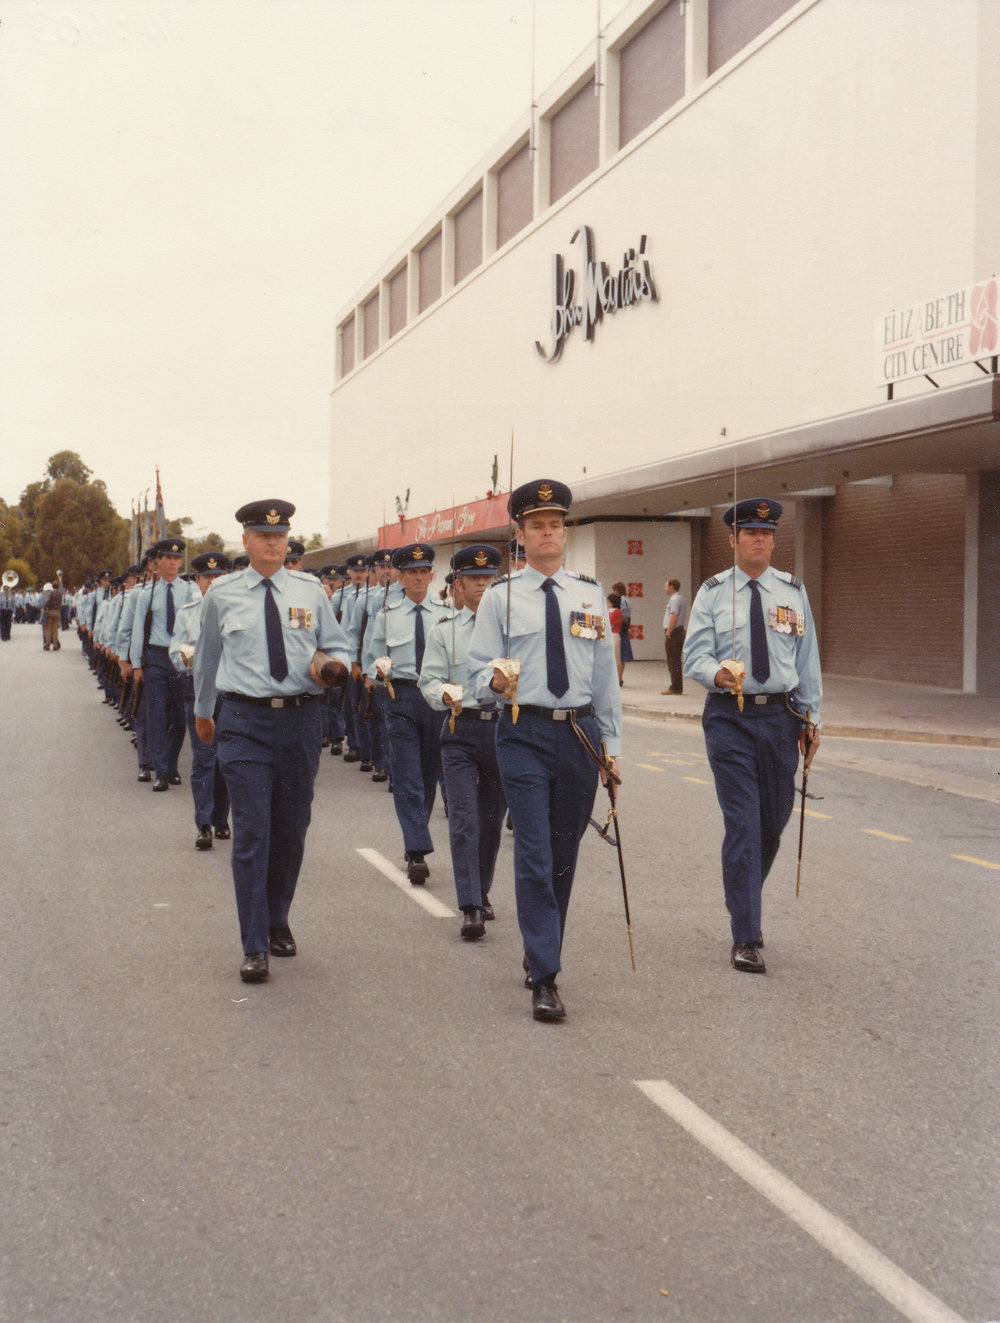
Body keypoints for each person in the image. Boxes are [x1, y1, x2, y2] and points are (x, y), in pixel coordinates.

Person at [466, 480, 622, 1023]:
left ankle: (540, 948)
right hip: (523, 731)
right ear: (520, 534)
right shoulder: (499, 596)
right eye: (537, 525)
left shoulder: (588, 594)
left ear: (565, 531)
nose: (548, 532)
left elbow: (604, 676)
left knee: (562, 854)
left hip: (578, 735)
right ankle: (547, 975)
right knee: (532, 850)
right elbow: (474, 673)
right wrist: (495, 680)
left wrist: (612, 747)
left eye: (556, 524)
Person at [193, 499, 350, 983]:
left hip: (301, 720)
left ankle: (278, 917)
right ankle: (254, 943)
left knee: (291, 827)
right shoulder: (221, 594)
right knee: (253, 830)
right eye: (262, 535)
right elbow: (206, 658)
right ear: (245, 540)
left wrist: (330, 667)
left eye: (279, 537)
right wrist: (202, 713)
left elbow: (337, 644)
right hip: (243, 719)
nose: (272, 543)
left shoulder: (309, 590)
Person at [683, 498, 821, 974]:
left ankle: (740, 891)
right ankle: (747, 934)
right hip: (731, 717)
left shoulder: (792, 590)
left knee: (773, 822)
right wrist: (718, 674)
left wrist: (811, 717)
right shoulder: (713, 592)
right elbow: (693, 657)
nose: (759, 540)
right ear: (733, 540)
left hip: (781, 719)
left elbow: (806, 660)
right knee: (743, 822)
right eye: (750, 533)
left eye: (767, 533)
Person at [419, 544, 505, 941]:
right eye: (475, 579)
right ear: (458, 584)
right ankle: (470, 904)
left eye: (489, 579)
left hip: (504, 732)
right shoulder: (445, 630)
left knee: (490, 821)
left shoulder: (512, 630)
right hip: (460, 731)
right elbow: (429, 681)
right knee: (464, 820)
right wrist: (445, 695)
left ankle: (482, 889)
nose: (483, 586)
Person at [365, 543, 450, 884]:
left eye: (423, 572)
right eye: (411, 573)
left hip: (437, 700)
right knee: (407, 775)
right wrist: (379, 669)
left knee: (429, 774)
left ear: (432, 576)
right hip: (400, 698)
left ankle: (417, 834)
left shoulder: (447, 615)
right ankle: (416, 849)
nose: (417, 578)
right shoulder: (387, 616)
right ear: (400, 577)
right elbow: (372, 660)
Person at [170, 551, 233, 851]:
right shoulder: (188, 612)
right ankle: (204, 824)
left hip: (232, 692)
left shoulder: (238, 609)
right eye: (207, 577)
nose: (213, 581)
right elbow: (175, 650)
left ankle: (222, 817)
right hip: (197, 689)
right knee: (204, 757)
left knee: (227, 758)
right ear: (197, 580)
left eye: (219, 576)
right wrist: (187, 661)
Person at [128, 540, 199, 791]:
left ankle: (171, 764)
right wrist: (137, 664)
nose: (172, 563)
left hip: (182, 654)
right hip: (156, 657)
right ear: (157, 562)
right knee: (156, 714)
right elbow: (138, 631)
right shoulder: (145, 593)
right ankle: (160, 770)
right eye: (167, 558)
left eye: (177, 559)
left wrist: (194, 662)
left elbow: (195, 626)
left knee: (179, 717)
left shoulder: (190, 591)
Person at [662, 577, 687, 695]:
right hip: (678, 631)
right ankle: (676, 686)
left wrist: (668, 632)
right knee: (675, 660)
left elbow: (674, 616)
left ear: (671, 587)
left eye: (666, 586)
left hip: (674, 632)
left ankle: (675, 687)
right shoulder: (679, 598)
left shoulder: (675, 599)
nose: (665, 588)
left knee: (673, 661)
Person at [611, 580, 632, 684]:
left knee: (618, 654)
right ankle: (620, 677)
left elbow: (618, 614)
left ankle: (618, 678)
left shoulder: (621, 600)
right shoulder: (628, 599)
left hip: (619, 628)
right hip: (625, 627)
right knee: (622, 654)